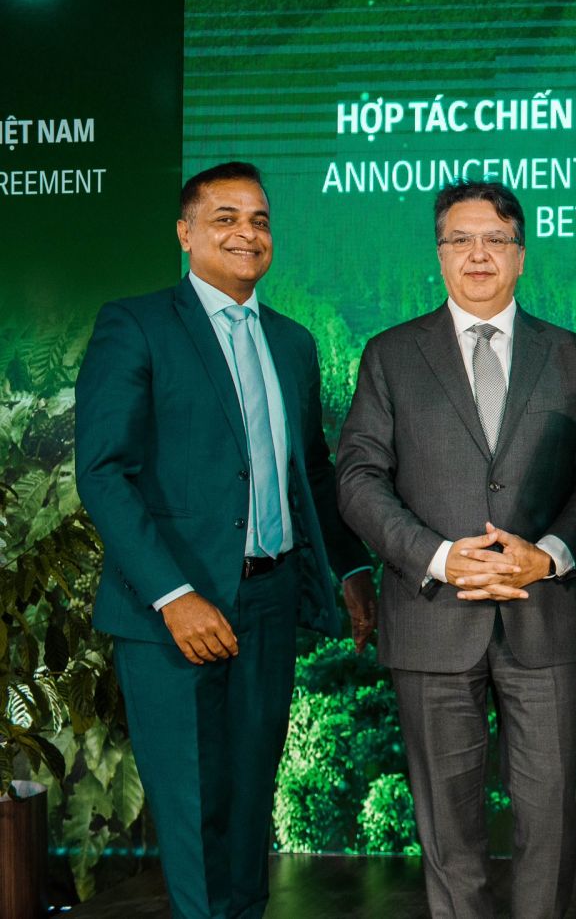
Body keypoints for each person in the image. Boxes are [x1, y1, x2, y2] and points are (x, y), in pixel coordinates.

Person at [75, 162, 376, 919]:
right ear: (186, 233)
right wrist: (174, 595)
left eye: (260, 220)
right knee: (194, 806)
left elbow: (311, 470)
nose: (248, 233)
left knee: (248, 801)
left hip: (270, 602)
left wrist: (349, 570)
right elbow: (103, 473)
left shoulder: (292, 343)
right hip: (173, 612)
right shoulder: (136, 324)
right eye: (226, 218)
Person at [336, 181, 576, 919]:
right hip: (432, 615)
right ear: (439, 255)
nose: (478, 254)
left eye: (496, 240)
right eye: (461, 240)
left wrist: (547, 554)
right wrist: (436, 556)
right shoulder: (391, 355)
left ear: (521, 256)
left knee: (550, 819)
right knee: (448, 831)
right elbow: (358, 478)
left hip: (541, 613)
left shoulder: (571, 355)